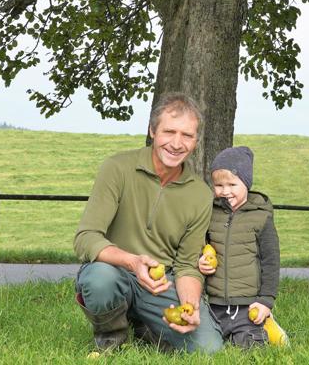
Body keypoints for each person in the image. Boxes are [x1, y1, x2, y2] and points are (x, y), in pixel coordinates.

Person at [73, 93, 223, 354]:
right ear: (153, 131)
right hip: (116, 271)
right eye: (169, 132)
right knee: (99, 278)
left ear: (196, 140)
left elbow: (188, 265)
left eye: (187, 135)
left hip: (162, 284)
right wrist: (133, 262)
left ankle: (144, 326)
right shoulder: (117, 168)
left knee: (209, 349)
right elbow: (86, 237)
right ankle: (111, 338)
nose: (177, 143)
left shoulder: (201, 194)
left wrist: (190, 305)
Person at [199, 146, 286, 348]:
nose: (225, 191)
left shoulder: (261, 216)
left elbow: (271, 261)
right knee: (207, 344)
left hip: (248, 304)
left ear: (246, 183)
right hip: (215, 302)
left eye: (232, 184)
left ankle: (267, 324)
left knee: (249, 345)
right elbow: (201, 246)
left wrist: (265, 301)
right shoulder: (211, 213)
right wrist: (201, 262)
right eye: (219, 185)